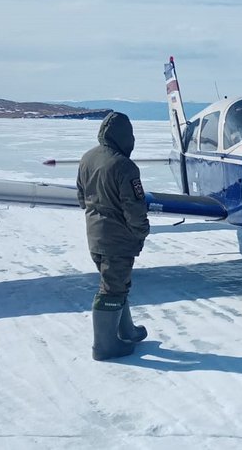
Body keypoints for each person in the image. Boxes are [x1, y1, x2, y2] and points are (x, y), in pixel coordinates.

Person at [76, 112, 150, 361]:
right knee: (112, 288)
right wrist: (141, 232)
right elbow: (135, 208)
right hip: (117, 240)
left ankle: (125, 330)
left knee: (117, 283)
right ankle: (105, 346)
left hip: (95, 236)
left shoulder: (87, 158)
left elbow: (81, 197)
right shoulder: (124, 166)